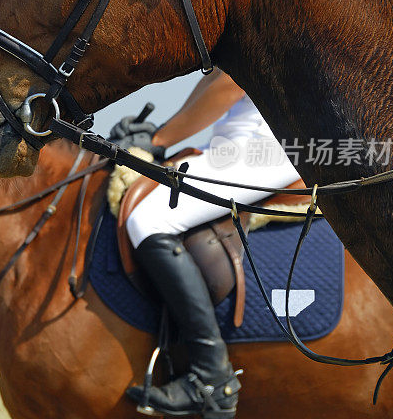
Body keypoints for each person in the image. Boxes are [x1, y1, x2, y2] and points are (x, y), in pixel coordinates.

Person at [115, 70, 301, 417]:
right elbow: (218, 76)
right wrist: (157, 134)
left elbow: (231, 84)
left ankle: (213, 376)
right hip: (238, 144)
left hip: (266, 148)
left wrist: (157, 138)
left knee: (148, 218)